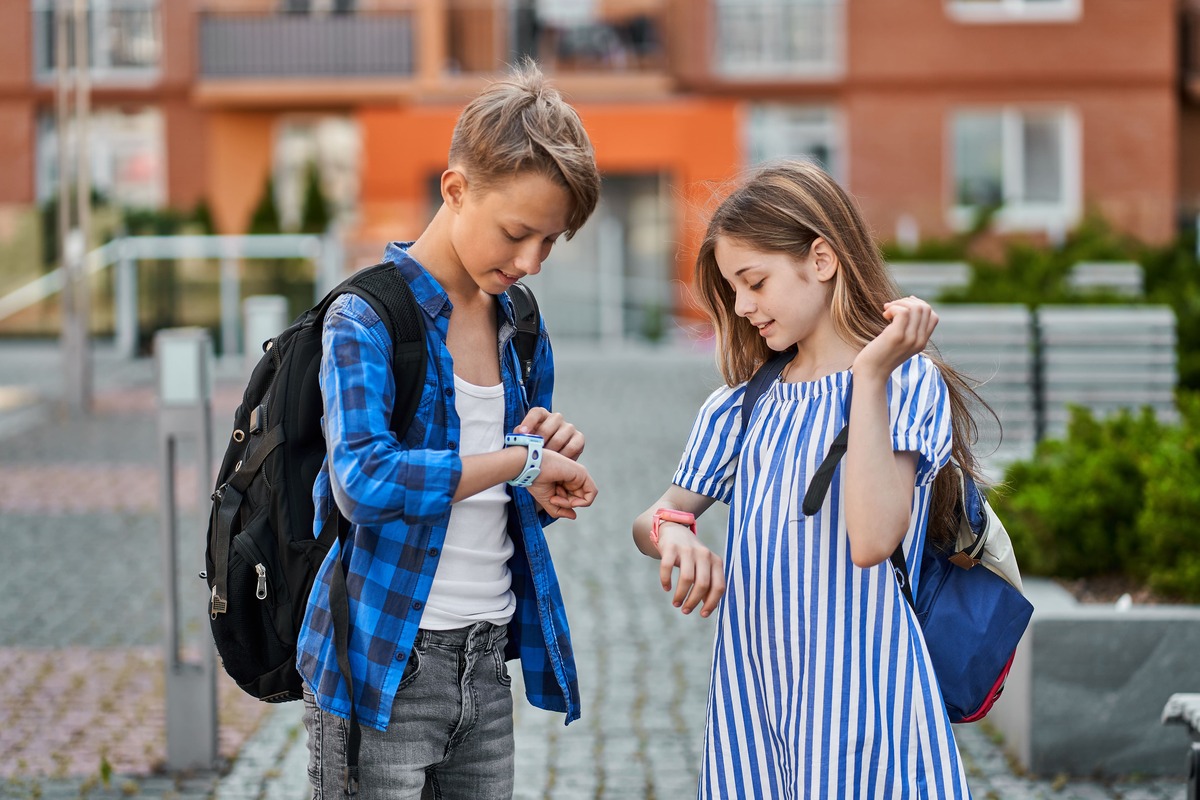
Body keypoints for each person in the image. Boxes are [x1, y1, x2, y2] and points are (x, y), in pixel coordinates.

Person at [632, 159, 989, 798]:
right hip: (755, 715)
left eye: (754, 282)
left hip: (866, 716)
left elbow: (872, 538)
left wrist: (872, 377)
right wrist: (674, 532)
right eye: (732, 289)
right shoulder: (740, 405)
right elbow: (654, 516)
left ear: (821, 259)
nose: (741, 307)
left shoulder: (905, 383)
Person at [296, 60, 601, 799]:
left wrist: (542, 483)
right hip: (383, 663)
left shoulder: (520, 327)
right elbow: (363, 483)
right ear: (456, 188)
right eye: (517, 232)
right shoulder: (367, 317)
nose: (530, 261)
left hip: (486, 661)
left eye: (550, 244)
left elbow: (503, 499)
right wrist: (515, 462)